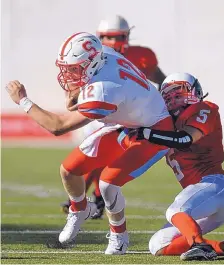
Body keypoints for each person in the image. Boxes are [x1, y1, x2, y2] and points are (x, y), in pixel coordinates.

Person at [6, 32, 174, 255]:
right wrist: (75, 92)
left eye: (73, 68)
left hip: (154, 130)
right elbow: (84, 90)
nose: (67, 73)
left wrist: (23, 101)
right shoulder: (104, 55)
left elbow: (58, 126)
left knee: (107, 183)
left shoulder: (104, 89)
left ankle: (119, 236)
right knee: (69, 170)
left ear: (92, 62)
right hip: (127, 121)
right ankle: (79, 209)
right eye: (66, 67)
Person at [61, 15, 167, 218]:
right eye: (108, 37)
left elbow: (162, 80)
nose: (114, 42)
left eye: (119, 36)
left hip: (125, 116)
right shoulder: (93, 57)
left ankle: (95, 198)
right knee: (92, 154)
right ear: (99, 38)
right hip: (99, 113)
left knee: (107, 157)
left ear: (127, 36)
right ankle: (88, 199)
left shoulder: (142, 55)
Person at [136, 73, 224, 260]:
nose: (174, 101)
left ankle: (198, 245)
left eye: (179, 95)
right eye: (169, 98)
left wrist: (146, 133)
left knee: (175, 211)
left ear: (195, 92)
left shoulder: (204, 109)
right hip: (201, 199)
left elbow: (184, 139)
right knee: (158, 244)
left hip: (214, 186)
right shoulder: (166, 125)